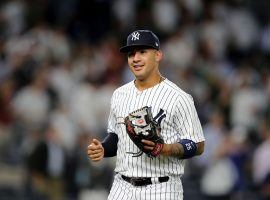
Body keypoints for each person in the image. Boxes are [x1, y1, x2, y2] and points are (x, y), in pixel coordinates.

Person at [87, 29, 205, 200]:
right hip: (122, 187)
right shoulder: (119, 94)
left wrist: (168, 148)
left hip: (162, 188)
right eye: (131, 54)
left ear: (158, 55)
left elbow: (198, 144)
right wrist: (103, 148)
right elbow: (116, 136)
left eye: (142, 52)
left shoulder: (179, 97)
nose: (135, 58)